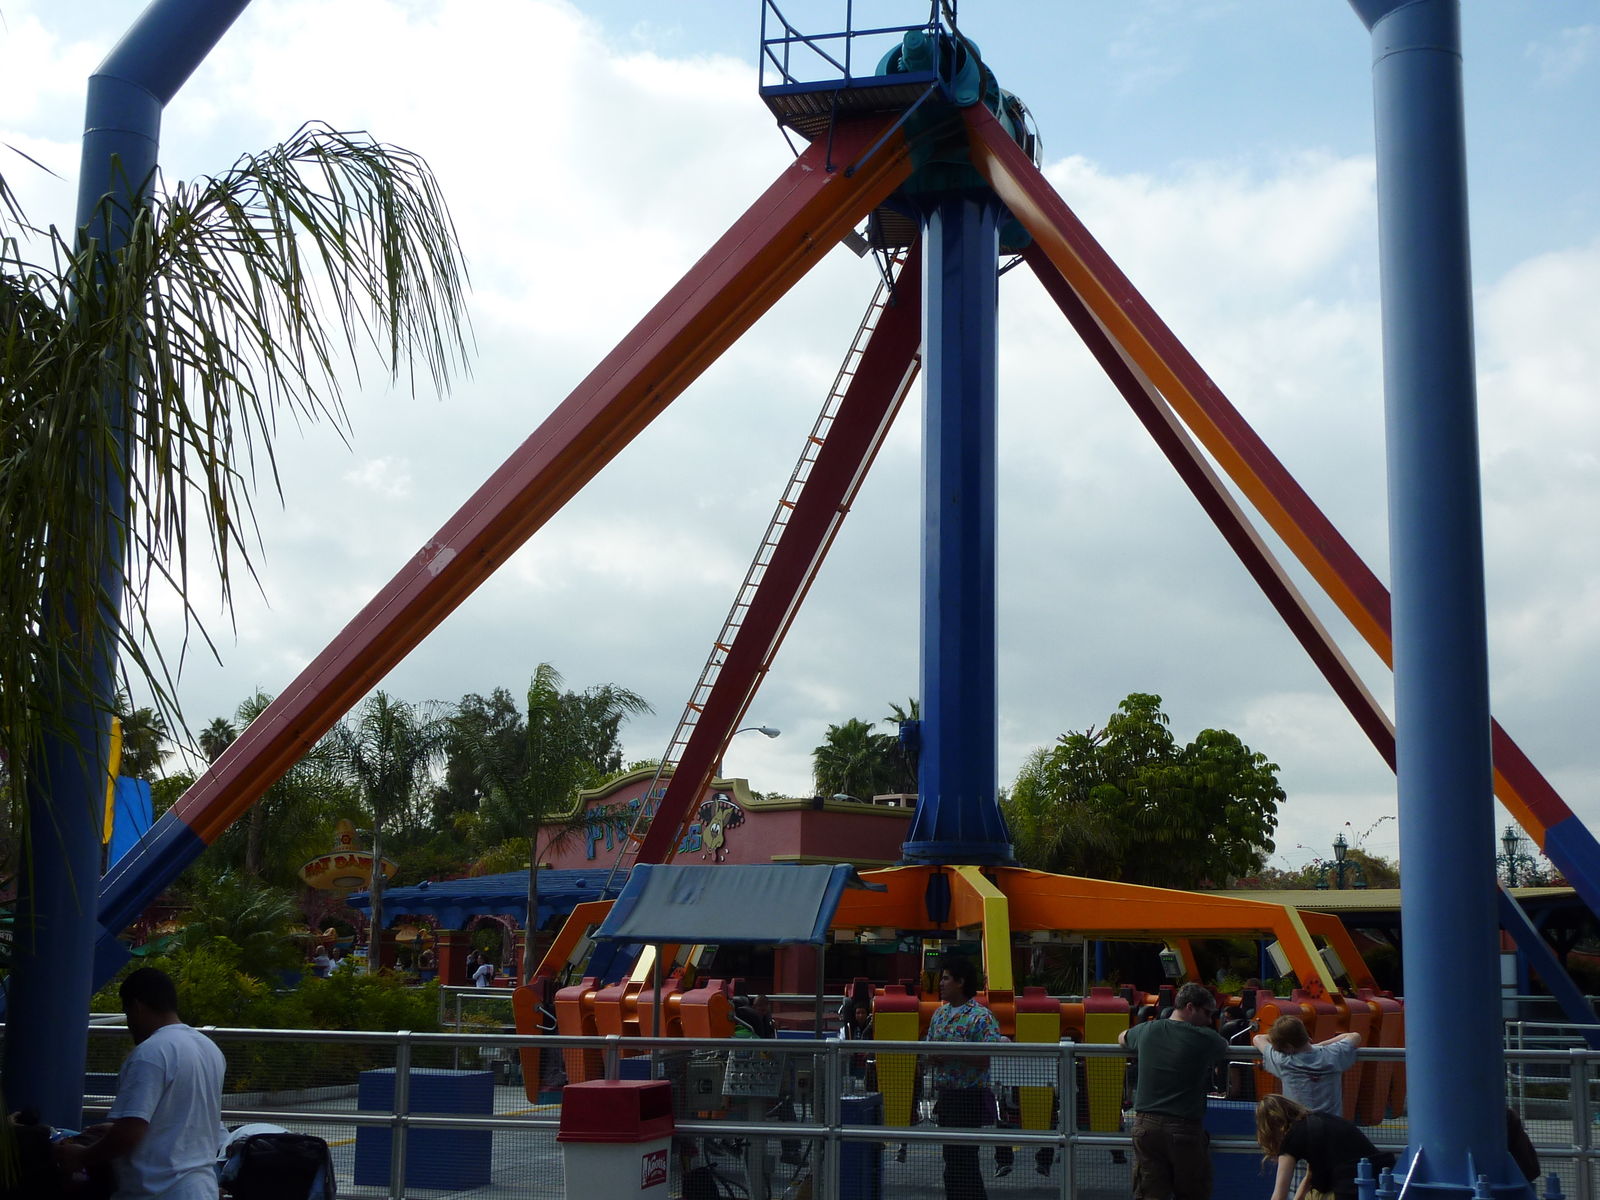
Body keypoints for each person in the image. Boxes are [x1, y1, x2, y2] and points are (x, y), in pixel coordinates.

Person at [55, 966, 227, 1200]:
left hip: (157, 1191)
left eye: (127, 1013)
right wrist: (117, 1129)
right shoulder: (208, 1049)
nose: (129, 1025)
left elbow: (129, 1134)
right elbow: (184, 1122)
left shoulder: (150, 1053)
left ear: (137, 1006)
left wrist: (80, 1156)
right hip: (201, 1189)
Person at [1117, 981, 1231, 1200]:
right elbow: (1223, 1046)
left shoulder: (1147, 1030)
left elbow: (1123, 1037)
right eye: (1207, 1013)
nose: (1209, 1020)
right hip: (1184, 1127)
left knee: (1149, 1192)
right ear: (1190, 1007)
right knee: (1192, 1192)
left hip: (1145, 1126)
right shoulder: (1205, 1037)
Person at [926, 956, 1004, 1200]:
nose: (941, 983)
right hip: (946, 1095)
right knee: (951, 1158)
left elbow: (988, 1056)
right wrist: (933, 1057)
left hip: (970, 1096)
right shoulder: (939, 1015)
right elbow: (928, 1049)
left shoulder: (981, 1017)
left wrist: (952, 1054)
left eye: (946, 978)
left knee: (965, 1158)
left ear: (960, 982)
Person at [1256, 1093, 1391, 1200]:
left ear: (1271, 1128)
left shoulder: (1291, 1138)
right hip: (1380, 1178)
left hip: (1350, 1189)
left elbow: (1279, 1195)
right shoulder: (1319, 1120)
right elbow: (1309, 1177)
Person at [1252, 1016, 1360, 1114]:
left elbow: (1258, 1039)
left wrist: (1280, 1036)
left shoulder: (1282, 1061)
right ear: (1306, 1036)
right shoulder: (1332, 1054)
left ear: (1289, 1047)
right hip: (1332, 1123)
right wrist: (1320, 1045)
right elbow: (1354, 1036)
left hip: (1299, 1123)